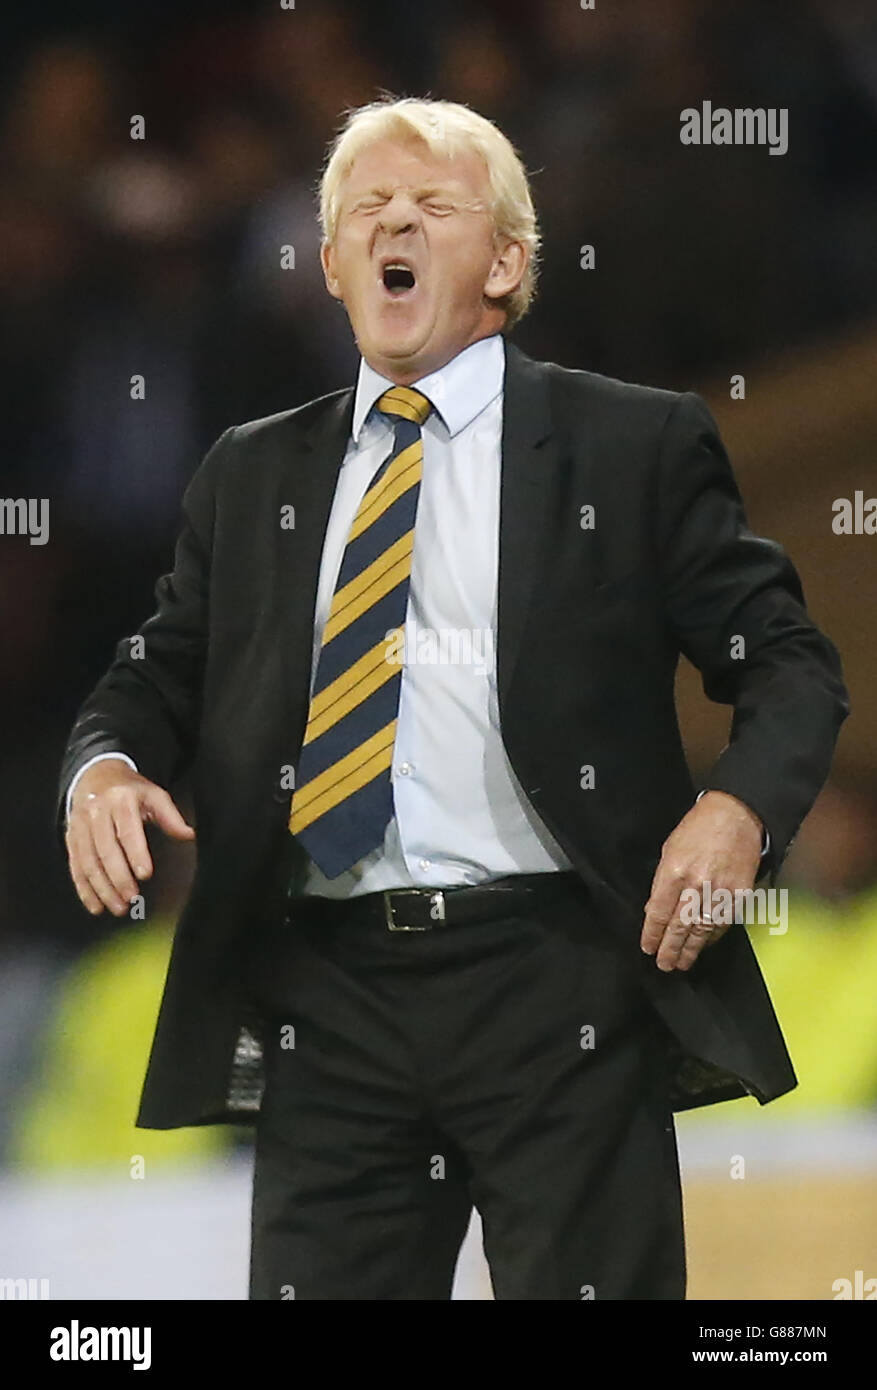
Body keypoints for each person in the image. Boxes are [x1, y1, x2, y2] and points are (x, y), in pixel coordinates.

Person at [58, 97, 850, 1300]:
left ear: (508, 260)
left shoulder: (626, 445)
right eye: (365, 209)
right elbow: (156, 669)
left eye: (432, 207)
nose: (396, 226)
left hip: (561, 980)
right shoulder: (250, 471)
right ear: (330, 264)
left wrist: (736, 811)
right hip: (326, 994)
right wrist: (104, 765)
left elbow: (789, 662)